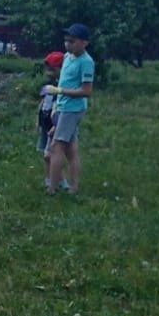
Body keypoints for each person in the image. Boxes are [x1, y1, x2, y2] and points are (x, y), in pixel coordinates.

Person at [45, 23, 95, 197]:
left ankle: (52, 188)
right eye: (66, 41)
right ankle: (73, 187)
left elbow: (86, 91)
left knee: (56, 147)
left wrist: (60, 91)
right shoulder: (68, 57)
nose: (68, 44)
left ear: (84, 43)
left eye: (72, 41)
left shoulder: (86, 62)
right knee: (71, 149)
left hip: (72, 110)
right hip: (62, 106)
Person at [38, 50, 67, 188]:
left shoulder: (61, 88)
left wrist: (56, 125)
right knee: (46, 154)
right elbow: (43, 103)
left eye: (52, 69)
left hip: (54, 124)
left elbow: (60, 108)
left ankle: (58, 181)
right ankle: (50, 180)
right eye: (48, 69)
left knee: (49, 154)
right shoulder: (47, 85)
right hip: (45, 123)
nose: (49, 72)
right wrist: (38, 121)